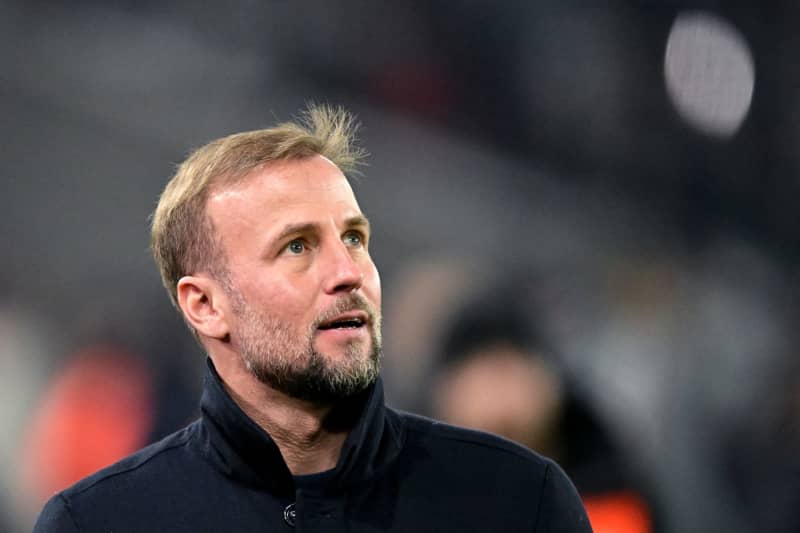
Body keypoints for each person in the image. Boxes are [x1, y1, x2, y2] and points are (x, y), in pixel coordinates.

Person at [32, 106, 591, 532]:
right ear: (205, 305)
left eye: (354, 237)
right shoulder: (98, 523)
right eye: (297, 247)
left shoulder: (520, 500)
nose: (348, 272)